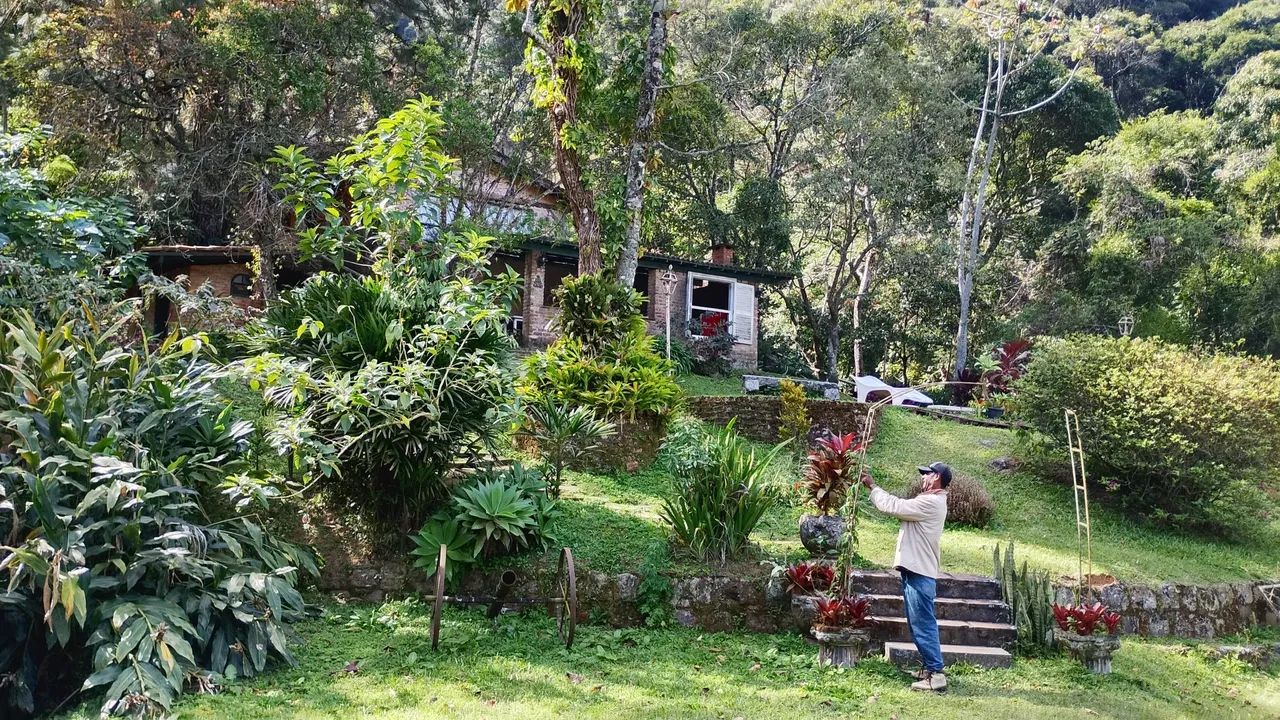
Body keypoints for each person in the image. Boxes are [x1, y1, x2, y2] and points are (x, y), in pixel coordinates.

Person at [860, 462, 951, 693]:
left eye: (926, 474)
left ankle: (936, 675)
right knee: (917, 621)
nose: (922, 479)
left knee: (922, 623)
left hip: (920, 572)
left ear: (937, 477)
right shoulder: (932, 501)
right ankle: (929, 669)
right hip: (916, 570)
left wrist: (872, 486)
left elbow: (894, 506)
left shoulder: (931, 502)